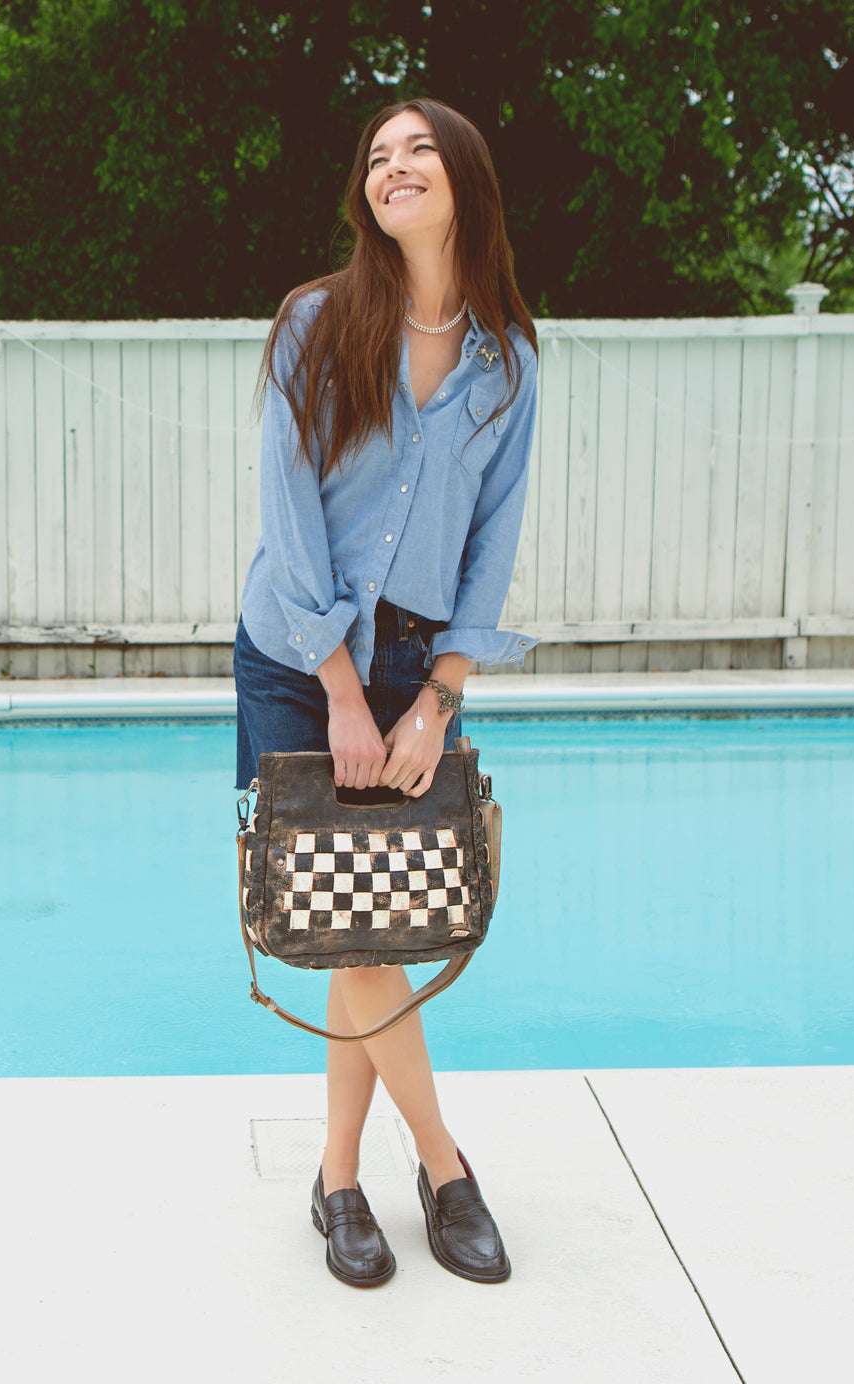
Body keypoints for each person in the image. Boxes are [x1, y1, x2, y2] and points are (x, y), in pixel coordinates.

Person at [234, 97, 539, 1287]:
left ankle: (340, 1178)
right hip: (297, 654)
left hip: (416, 667)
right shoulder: (316, 322)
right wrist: (345, 694)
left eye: (419, 149)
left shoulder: (508, 357)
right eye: (376, 155)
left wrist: (437, 697)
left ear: (464, 179)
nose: (393, 167)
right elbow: (287, 505)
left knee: (378, 918)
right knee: (352, 919)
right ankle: (445, 1163)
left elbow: (494, 542)